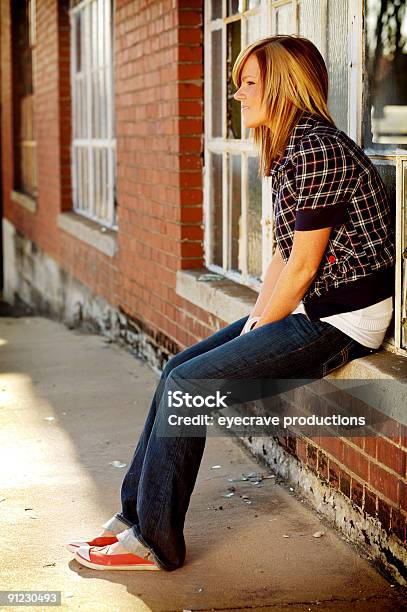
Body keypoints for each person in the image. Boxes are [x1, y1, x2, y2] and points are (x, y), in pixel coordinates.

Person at [67, 35, 395, 571]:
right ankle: (134, 518)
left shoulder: (317, 148)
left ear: (283, 87)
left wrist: (264, 323)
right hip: (312, 305)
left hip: (342, 318)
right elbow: (282, 254)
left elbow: (305, 268)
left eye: (248, 83)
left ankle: (155, 542)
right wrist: (255, 324)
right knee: (177, 368)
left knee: (188, 387)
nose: (238, 95)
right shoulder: (290, 147)